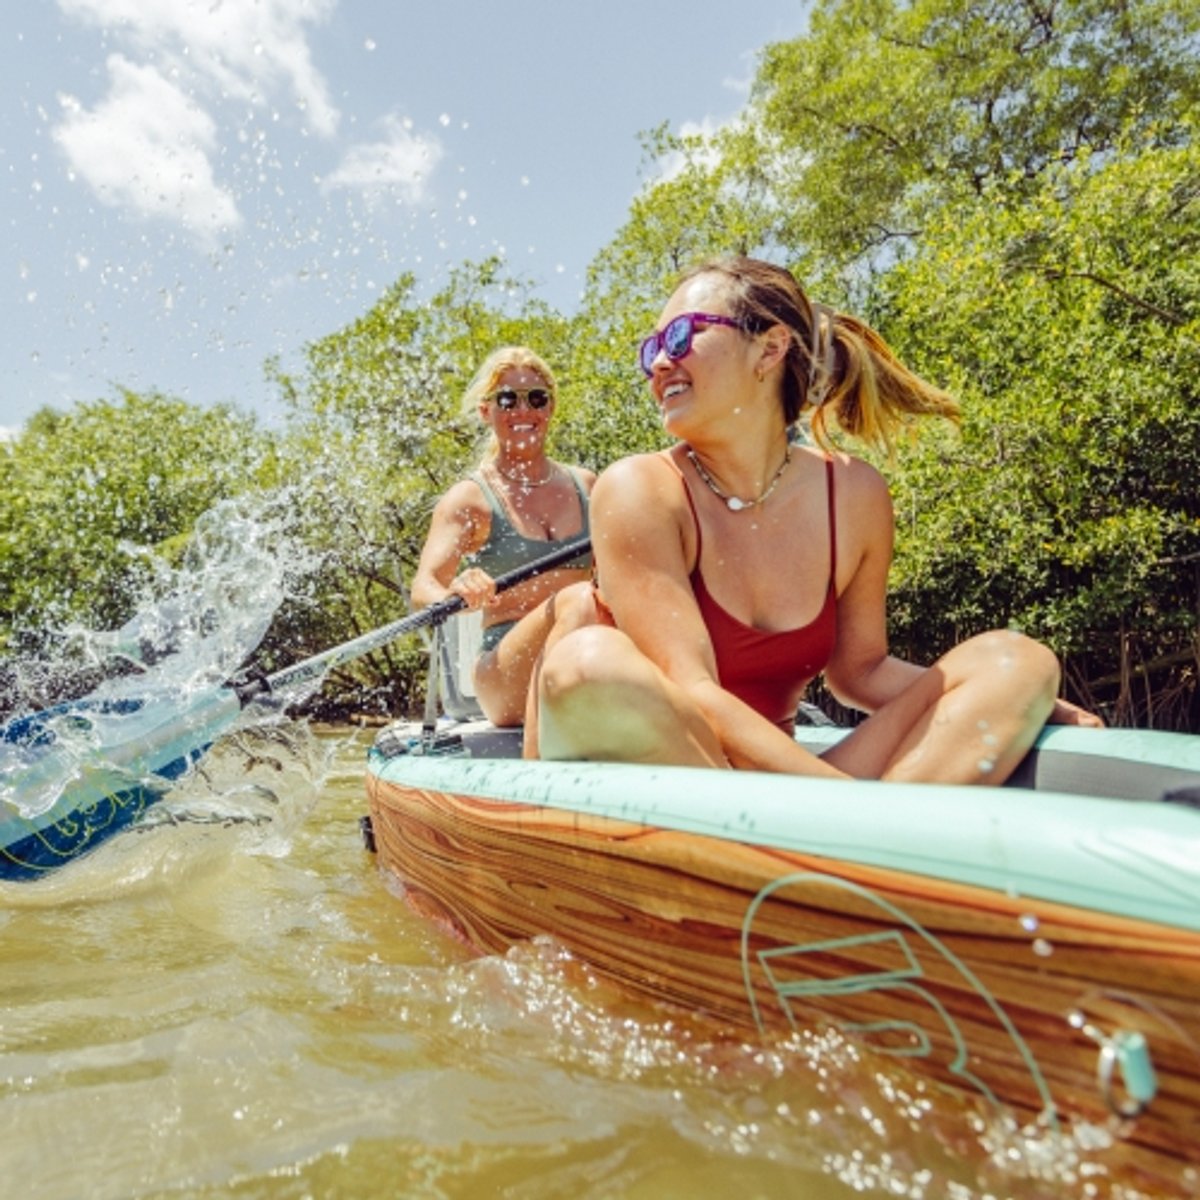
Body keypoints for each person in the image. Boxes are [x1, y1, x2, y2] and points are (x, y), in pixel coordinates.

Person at [532, 256, 1101, 780]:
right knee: (589, 663)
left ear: (770, 349)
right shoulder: (638, 489)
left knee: (1016, 658)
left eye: (682, 334)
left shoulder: (852, 493)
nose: (659, 361)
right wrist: (839, 808)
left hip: (794, 790)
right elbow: (692, 691)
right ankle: (863, 854)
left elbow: (861, 672)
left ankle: (855, 862)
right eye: (652, 344)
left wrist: (1035, 695)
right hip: (683, 780)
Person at [411, 346, 595, 728]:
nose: (523, 411)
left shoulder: (589, 485)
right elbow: (423, 590)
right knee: (577, 601)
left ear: (550, 408)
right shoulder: (469, 498)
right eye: (507, 399)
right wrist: (455, 594)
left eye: (536, 398)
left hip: (588, 650)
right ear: (486, 411)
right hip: (504, 670)